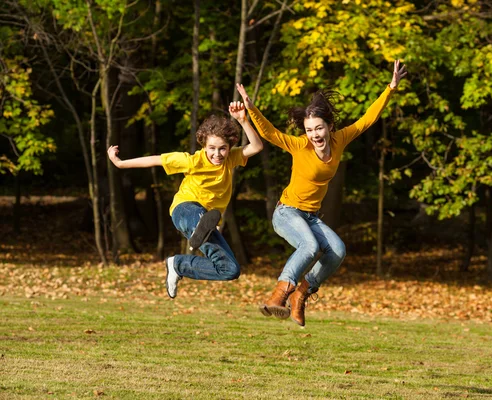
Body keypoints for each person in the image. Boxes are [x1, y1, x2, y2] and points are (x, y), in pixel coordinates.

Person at [236, 61, 407, 326]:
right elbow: (269, 133)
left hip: (310, 216)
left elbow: (367, 120)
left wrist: (391, 88)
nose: (314, 134)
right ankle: (279, 295)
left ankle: (301, 294)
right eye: (309, 129)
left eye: (318, 128)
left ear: (328, 126)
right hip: (287, 212)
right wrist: (251, 108)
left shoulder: (339, 140)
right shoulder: (299, 146)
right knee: (311, 246)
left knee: (337, 250)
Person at [107, 101, 263, 299]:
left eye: (223, 148)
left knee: (230, 269)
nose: (217, 154)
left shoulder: (231, 158)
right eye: (212, 148)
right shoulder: (191, 161)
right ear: (204, 145)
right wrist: (120, 163)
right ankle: (201, 225)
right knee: (199, 214)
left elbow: (257, 146)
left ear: (229, 146)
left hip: (206, 222)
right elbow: (154, 159)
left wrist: (243, 120)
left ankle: (178, 264)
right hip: (184, 210)